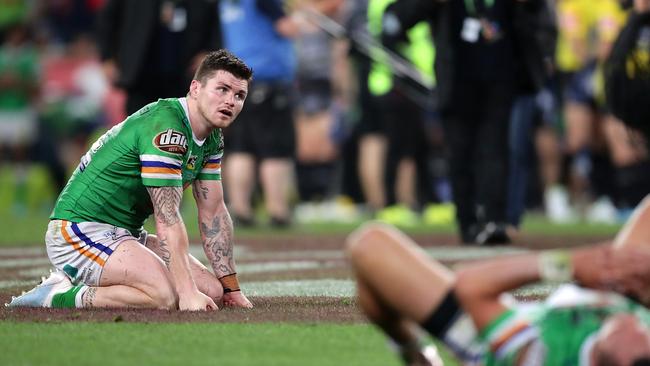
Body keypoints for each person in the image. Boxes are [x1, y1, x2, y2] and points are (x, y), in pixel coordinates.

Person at [7, 49, 253, 311]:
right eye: (222, 89)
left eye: (239, 95)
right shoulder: (167, 127)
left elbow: (213, 212)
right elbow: (167, 216)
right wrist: (187, 292)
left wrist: (232, 289)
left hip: (127, 233)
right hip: (80, 230)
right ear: (195, 88)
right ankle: (56, 295)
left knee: (213, 291)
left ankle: (108, 278)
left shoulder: (212, 137)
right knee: (165, 297)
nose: (231, 101)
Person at [347, 210, 650, 365]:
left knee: (370, 249)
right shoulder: (631, 336)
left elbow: (473, 285)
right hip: (591, 305)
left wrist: (571, 263)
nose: (640, 329)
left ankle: (414, 352)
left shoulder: (542, 356)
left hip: (491, 335)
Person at [219, 0, 299, 227]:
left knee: (241, 148)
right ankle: (278, 210)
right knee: (275, 149)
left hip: (237, 79)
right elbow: (287, 27)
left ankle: (240, 209)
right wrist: (303, 20)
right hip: (267, 79)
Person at [96, 0, 222, 115]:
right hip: (141, 75)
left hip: (186, 75)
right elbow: (107, 19)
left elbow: (217, 21)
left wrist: (209, 52)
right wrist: (107, 57)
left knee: (182, 130)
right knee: (140, 130)